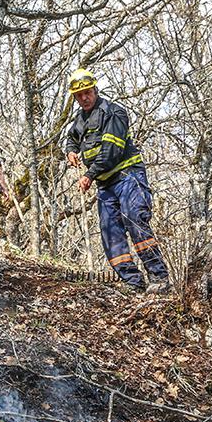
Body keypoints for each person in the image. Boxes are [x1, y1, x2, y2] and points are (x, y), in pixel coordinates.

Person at [65, 68, 171, 294]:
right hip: (105, 185)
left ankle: (159, 278)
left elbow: (111, 151)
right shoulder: (80, 118)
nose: (84, 98)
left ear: (95, 89)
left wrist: (88, 175)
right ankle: (133, 283)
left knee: (135, 220)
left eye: (87, 92)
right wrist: (71, 151)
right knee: (110, 232)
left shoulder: (114, 113)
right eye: (79, 95)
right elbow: (72, 137)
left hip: (127, 177)